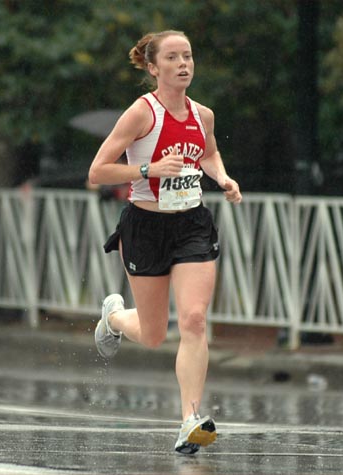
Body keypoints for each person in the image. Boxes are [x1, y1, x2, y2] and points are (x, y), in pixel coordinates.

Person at [87, 30, 242, 455]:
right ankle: (115, 317)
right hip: (145, 226)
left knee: (193, 320)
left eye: (188, 56)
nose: (183, 64)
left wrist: (222, 177)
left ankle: (190, 419)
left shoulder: (203, 115)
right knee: (154, 334)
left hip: (192, 223)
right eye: (172, 58)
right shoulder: (141, 114)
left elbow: (207, 153)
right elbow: (97, 171)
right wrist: (148, 170)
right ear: (154, 68)